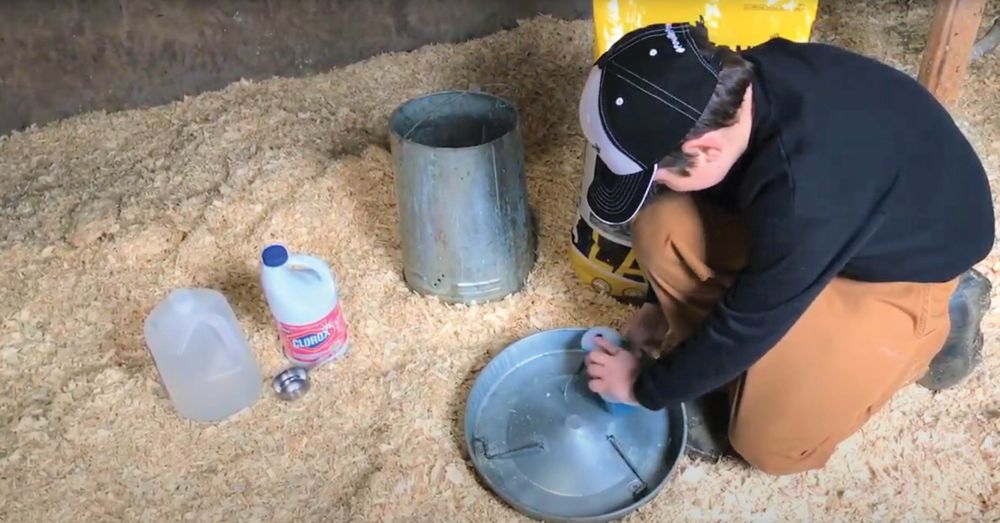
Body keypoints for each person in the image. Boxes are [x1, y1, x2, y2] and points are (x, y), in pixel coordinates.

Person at [578, 21, 994, 475]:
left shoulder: (802, 194)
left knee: (768, 446)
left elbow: (748, 323)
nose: (657, 183)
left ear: (707, 149)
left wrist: (644, 388)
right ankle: (744, 369)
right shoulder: (736, 84)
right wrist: (655, 309)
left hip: (902, 266)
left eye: (657, 173)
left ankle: (941, 317)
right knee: (661, 223)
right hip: (838, 219)